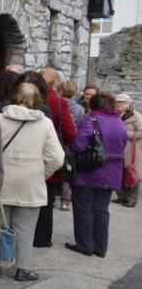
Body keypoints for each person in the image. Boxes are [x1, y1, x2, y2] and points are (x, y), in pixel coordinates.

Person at [0, 83, 65, 281]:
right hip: (31, 181)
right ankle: (23, 268)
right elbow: (56, 158)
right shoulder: (45, 124)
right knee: (25, 229)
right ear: (37, 100)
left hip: (2, 179)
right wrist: (43, 173)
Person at [66, 92, 128, 257]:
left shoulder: (90, 120)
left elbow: (79, 146)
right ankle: (100, 247)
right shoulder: (119, 122)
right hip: (112, 170)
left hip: (90, 169)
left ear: (93, 105)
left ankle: (85, 245)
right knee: (101, 209)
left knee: (83, 207)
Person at [34, 68, 76, 248]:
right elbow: (70, 132)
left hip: (27, 158)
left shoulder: (25, 97)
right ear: (54, 83)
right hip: (50, 156)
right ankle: (42, 239)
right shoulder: (58, 102)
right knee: (47, 201)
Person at [58, 81, 85, 212]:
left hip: (57, 139)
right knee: (68, 170)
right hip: (70, 141)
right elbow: (80, 126)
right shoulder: (80, 109)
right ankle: (65, 201)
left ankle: (51, 197)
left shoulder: (55, 104)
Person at [115, 94, 141, 208]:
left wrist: (125, 134)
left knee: (132, 173)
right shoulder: (115, 114)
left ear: (128, 104)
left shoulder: (136, 116)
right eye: (117, 102)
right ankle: (121, 196)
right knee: (119, 172)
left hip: (133, 148)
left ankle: (132, 199)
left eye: (122, 102)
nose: (119, 104)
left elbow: (141, 131)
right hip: (118, 147)